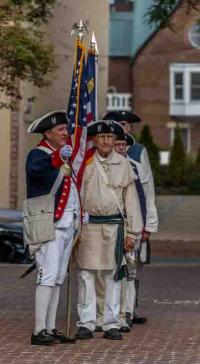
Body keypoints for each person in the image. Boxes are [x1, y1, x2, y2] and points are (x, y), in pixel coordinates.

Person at [74, 120, 143, 340]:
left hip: (115, 228)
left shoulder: (124, 165)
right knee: (86, 275)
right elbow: (75, 197)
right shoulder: (84, 163)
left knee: (113, 277)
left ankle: (110, 323)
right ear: (94, 140)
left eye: (110, 137)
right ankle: (86, 322)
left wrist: (133, 233)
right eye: (102, 137)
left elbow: (131, 201)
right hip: (88, 227)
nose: (106, 141)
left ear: (115, 141)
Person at [24, 110, 81, 346]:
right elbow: (36, 171)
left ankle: (50, 327)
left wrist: (80, 212)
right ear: (48, 133)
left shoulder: (62, 157)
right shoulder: (38, 154)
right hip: (50, 223)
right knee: (47, 276)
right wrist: (57, 157)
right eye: (61, 130)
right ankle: (38, 331)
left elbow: (71, 190)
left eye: (66, 130)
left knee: (58, 278)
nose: (66, 134)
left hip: (67, 223)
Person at [103, 111, 158, 327]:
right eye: (118, 124)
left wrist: (148, 225)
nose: (122, 129)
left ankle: (129, 311)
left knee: (131, 269)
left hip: (134, 221)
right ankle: (108, 312)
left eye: (125, 124)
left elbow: (148, 191)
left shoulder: (138, 151)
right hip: (111, 220)